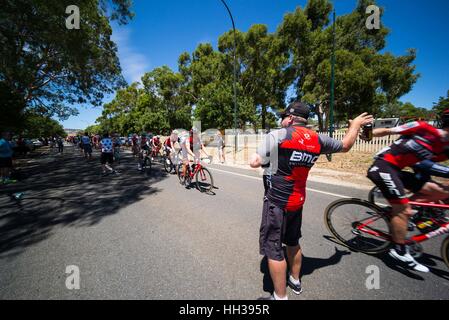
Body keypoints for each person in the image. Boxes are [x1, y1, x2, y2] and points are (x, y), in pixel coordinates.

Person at [249, 101, 373, 300]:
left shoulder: (278, 135)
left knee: (273, 250)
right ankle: (295, 280)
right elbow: (346, 145)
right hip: (298, 200)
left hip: (278, 202)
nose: (281, 120)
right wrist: (355, 125)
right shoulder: (318, 139)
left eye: (283, 117)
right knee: (292, 241)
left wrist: (267, 158)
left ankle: (280, 297)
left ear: (290, 118)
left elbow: (254, 162)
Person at [366, 112, 449, 272]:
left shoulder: (445, 149)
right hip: (383, 165)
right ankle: (399, 250)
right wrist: (367, 134)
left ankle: (402, 212)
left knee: (444, 191)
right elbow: (388, 131)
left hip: (398, 170)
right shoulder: (423, 128)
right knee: (404, 209)